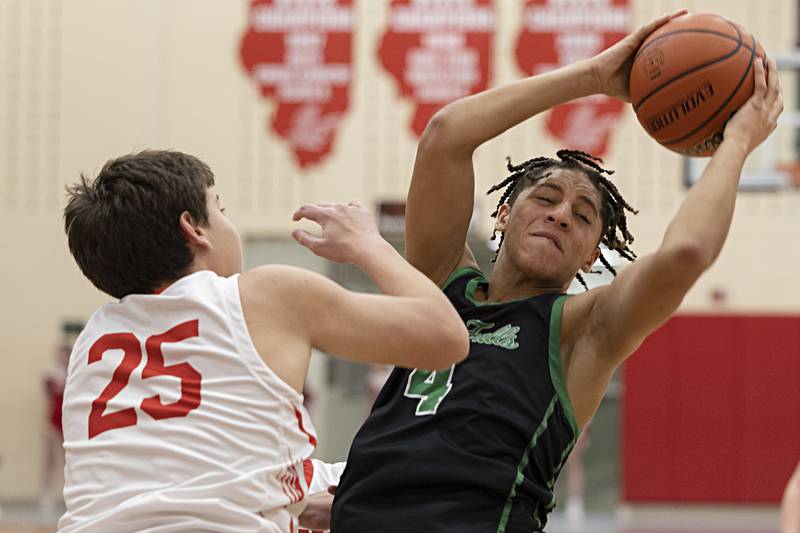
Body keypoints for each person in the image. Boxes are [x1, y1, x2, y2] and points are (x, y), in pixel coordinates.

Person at [330, 11, 783, 532]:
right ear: (502, 214)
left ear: (592, 255)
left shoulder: (581, 329)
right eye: (545, 197)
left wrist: (736, 145)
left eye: (583, 216)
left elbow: (687, 254)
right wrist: (591, 78)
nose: (561, 213)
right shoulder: (437, 285)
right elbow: (445, 135)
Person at [57, 150, 469, 532]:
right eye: (220, 208)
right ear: (194, 229)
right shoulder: (263, 294)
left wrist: (305, 491)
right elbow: (445, 336)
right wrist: (369, 246)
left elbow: (180, 473)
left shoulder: (93, 341)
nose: (227, 221)